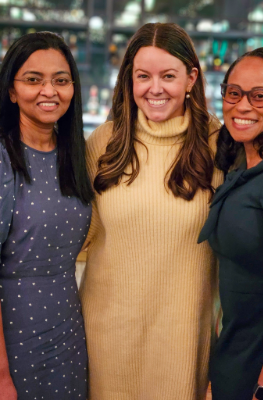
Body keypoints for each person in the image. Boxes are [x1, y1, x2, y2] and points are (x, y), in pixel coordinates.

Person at [80, 22, 223, 400]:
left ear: (191, 78)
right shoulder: (104, 143)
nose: (154, 88)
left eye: (168, 76)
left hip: (182, 342)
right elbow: (78, 239)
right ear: (130, 79)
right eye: (143, 76)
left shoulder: (219, 145)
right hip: (104, 339)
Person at [198, 47, 263, 400]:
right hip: (237, 363)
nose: (242, 106)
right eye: (233, 92)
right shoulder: (245, 170)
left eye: (259, 96)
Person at [0, 32, 94, 400]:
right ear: (11, 90)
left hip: (68, 324)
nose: (49, 91)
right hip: (13, 332)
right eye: (33, 79)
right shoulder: (4, 158)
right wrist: (1, 372)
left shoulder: (75, 155)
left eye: (60, 79)